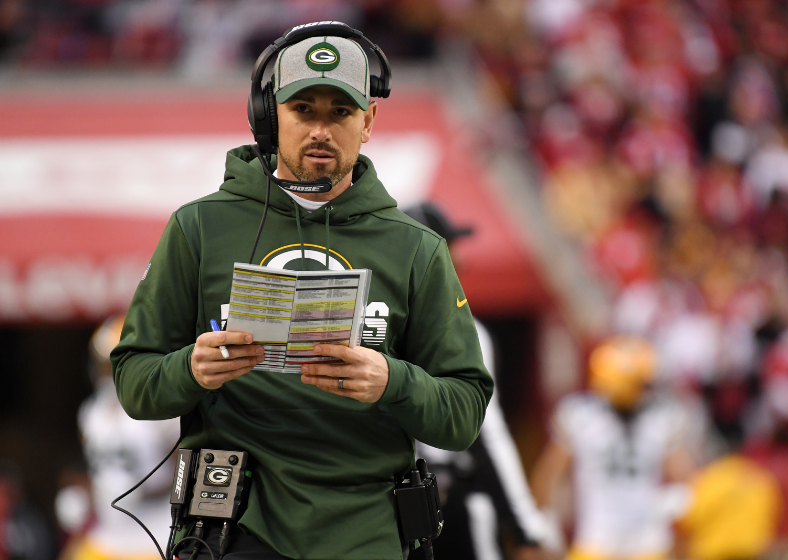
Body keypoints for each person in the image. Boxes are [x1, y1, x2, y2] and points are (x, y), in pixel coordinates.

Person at [111, 22, 493, 560]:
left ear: (369, 121)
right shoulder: (198, 228)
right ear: (269, 117)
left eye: (340, 112)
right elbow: (133, 382)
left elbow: (464, 413)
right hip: (234, 532)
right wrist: (189, 370)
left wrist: (393, 381)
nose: (321, 130)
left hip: (368, 536)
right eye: (303, 110)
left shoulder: (417, 249)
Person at [403, 203, 551, 560]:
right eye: (449, 248)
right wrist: (523, 524)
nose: (461, 261)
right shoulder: (461, 331)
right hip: (450, 502)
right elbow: (488, 434)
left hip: (384, 508)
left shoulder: (369, 324)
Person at [530, 336, 695, 560]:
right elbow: (550, 474)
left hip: (642, 542)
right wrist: (544, 525)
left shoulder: (660, 418)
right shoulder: (582, 416)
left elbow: (685, 481)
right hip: (601, 542)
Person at [57, 316, 180, 560]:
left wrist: (141, 491)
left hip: (155, 534)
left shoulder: (162, 409)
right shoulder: (93, 412)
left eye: (115, 361)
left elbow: (185, 470)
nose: (107, 370)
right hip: (108, 535)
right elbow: (98, 470)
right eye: (104, 362)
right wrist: (82, 495)